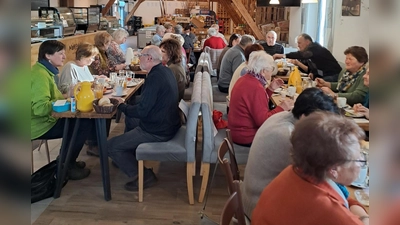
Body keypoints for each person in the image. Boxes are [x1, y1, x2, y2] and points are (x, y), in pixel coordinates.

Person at [252, 111, 369, 225]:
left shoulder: (298, 171)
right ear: (334, 169)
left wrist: (363, 217)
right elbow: (337, 209)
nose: (361, 164)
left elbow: (343, 197)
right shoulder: (328, 209)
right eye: (358, 159)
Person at [241, 88, 340, 219]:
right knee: (328, 211)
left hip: (254, 196)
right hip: (259, 207)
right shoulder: (288, 136)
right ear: (305, 117)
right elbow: (318, 178)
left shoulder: (281, 117)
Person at [107, 45, 181, 191]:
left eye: (141, 55)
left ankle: (143, 175)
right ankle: (128, 154)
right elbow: (149, 103)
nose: (138, 58)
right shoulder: (165, 70)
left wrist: (122, 106)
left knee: (110, 146)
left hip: (157, 130)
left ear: (149, 58)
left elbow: (143, 111)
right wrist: (129, 107)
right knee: (130, 120)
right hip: (168, 122)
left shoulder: (155, 77)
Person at [31, 40, 91, 180]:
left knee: (82, 121)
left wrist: (68, 96)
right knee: (82, 124)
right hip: (38, 125)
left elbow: (51, 98)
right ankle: (66, 165)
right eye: (60, 53)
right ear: (48, 55)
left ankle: (68, 160)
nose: (64, 57)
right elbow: (40, 108)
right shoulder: (40, 76)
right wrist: (64, 104)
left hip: (44, 120)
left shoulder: (44, 71)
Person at [228, 51, 294, 146]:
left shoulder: (245, 79)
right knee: (286, 136)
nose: (272, 71)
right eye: (271, 68)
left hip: (237, 131)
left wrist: (270, 89)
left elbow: (255, 105)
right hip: (246, 136)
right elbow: (263, 121)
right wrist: (282, 108)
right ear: (263, 71)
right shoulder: (255, 87)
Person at [273, 33, 342, 82]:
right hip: (324, 74)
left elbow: (301, 55)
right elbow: (315, 65)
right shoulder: (311, 51)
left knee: (315, 85)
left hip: (334, 75)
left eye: (299, 43)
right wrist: (313, 72)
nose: (298, 45)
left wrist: (283, 55)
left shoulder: (315, 48)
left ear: (307, 42)